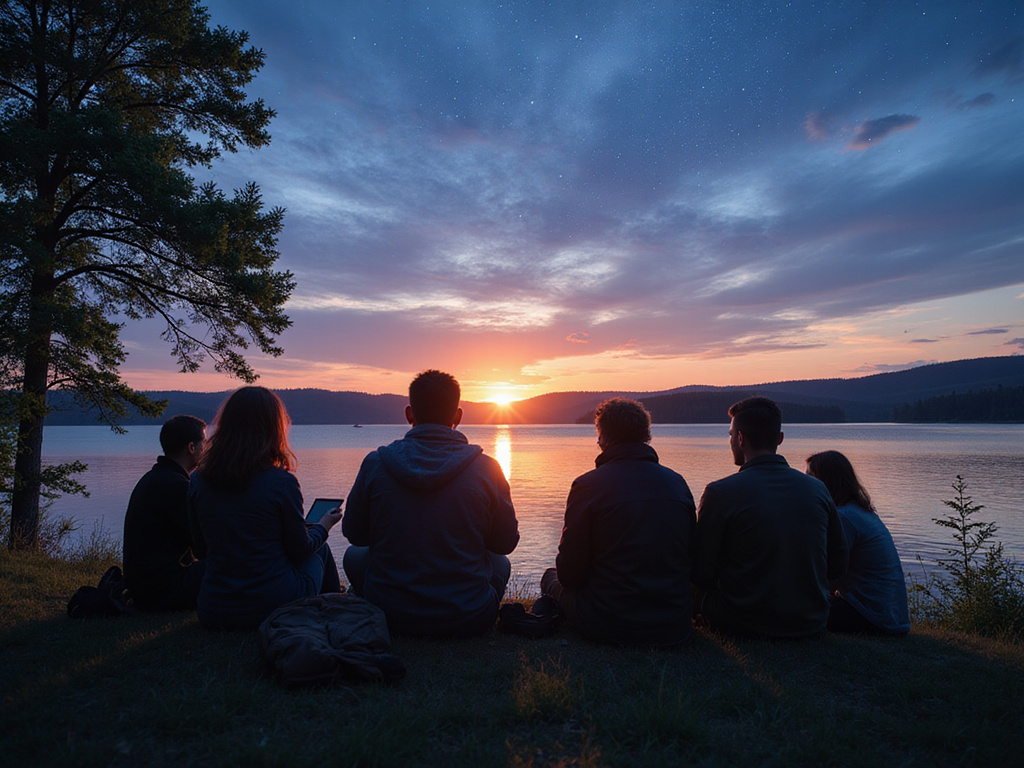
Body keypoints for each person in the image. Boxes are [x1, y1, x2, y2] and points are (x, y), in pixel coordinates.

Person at [342, 369, 520, 636]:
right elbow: (505, 543)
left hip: (389, 615)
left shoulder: (375, 464)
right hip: (469, 618)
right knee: (500, 562)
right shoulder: (488, 469)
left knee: (353, 556)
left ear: (409, 414)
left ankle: (377, 599)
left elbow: (355, 535)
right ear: (458, 417)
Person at [540, 398, 697, 646]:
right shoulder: (677, 483)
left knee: (550, 578)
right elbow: (691, 557)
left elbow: (569, 575)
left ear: (603, 438)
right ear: (646, 436)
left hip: (609, 623)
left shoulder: (587, 486)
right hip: (674, 623)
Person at [692, 396, 848, 638]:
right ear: (780, 438)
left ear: (740, 438)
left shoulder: (720, 493)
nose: (730, 441)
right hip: (810, 621)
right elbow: (837, 562)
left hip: (742, 622)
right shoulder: (818, 490)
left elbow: (701, 571)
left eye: (731, 435)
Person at [187, 386, 342, 630]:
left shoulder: (197, 480)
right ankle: (335, 609)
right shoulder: (281, 482)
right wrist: (324, 525)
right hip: (272, 607)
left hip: (214, 609)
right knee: (319, 548)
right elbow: (300, 552)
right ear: (274, 428)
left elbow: (200, 550)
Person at [806, 450, 910, 636]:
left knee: (792, 605)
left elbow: (829, 578)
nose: (807, 484)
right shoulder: (859, 512)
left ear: (827, 481)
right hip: (890, 617)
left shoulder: (845, 518)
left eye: (811, 478)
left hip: (871, 618)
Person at [122, 415, 207, 611]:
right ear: (191, 447)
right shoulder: (175, 486)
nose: (207, 448)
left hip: (143, 587)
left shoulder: (156, 477)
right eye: (204, 443)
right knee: (232, 562)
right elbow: (203, 546)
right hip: (162, 590)